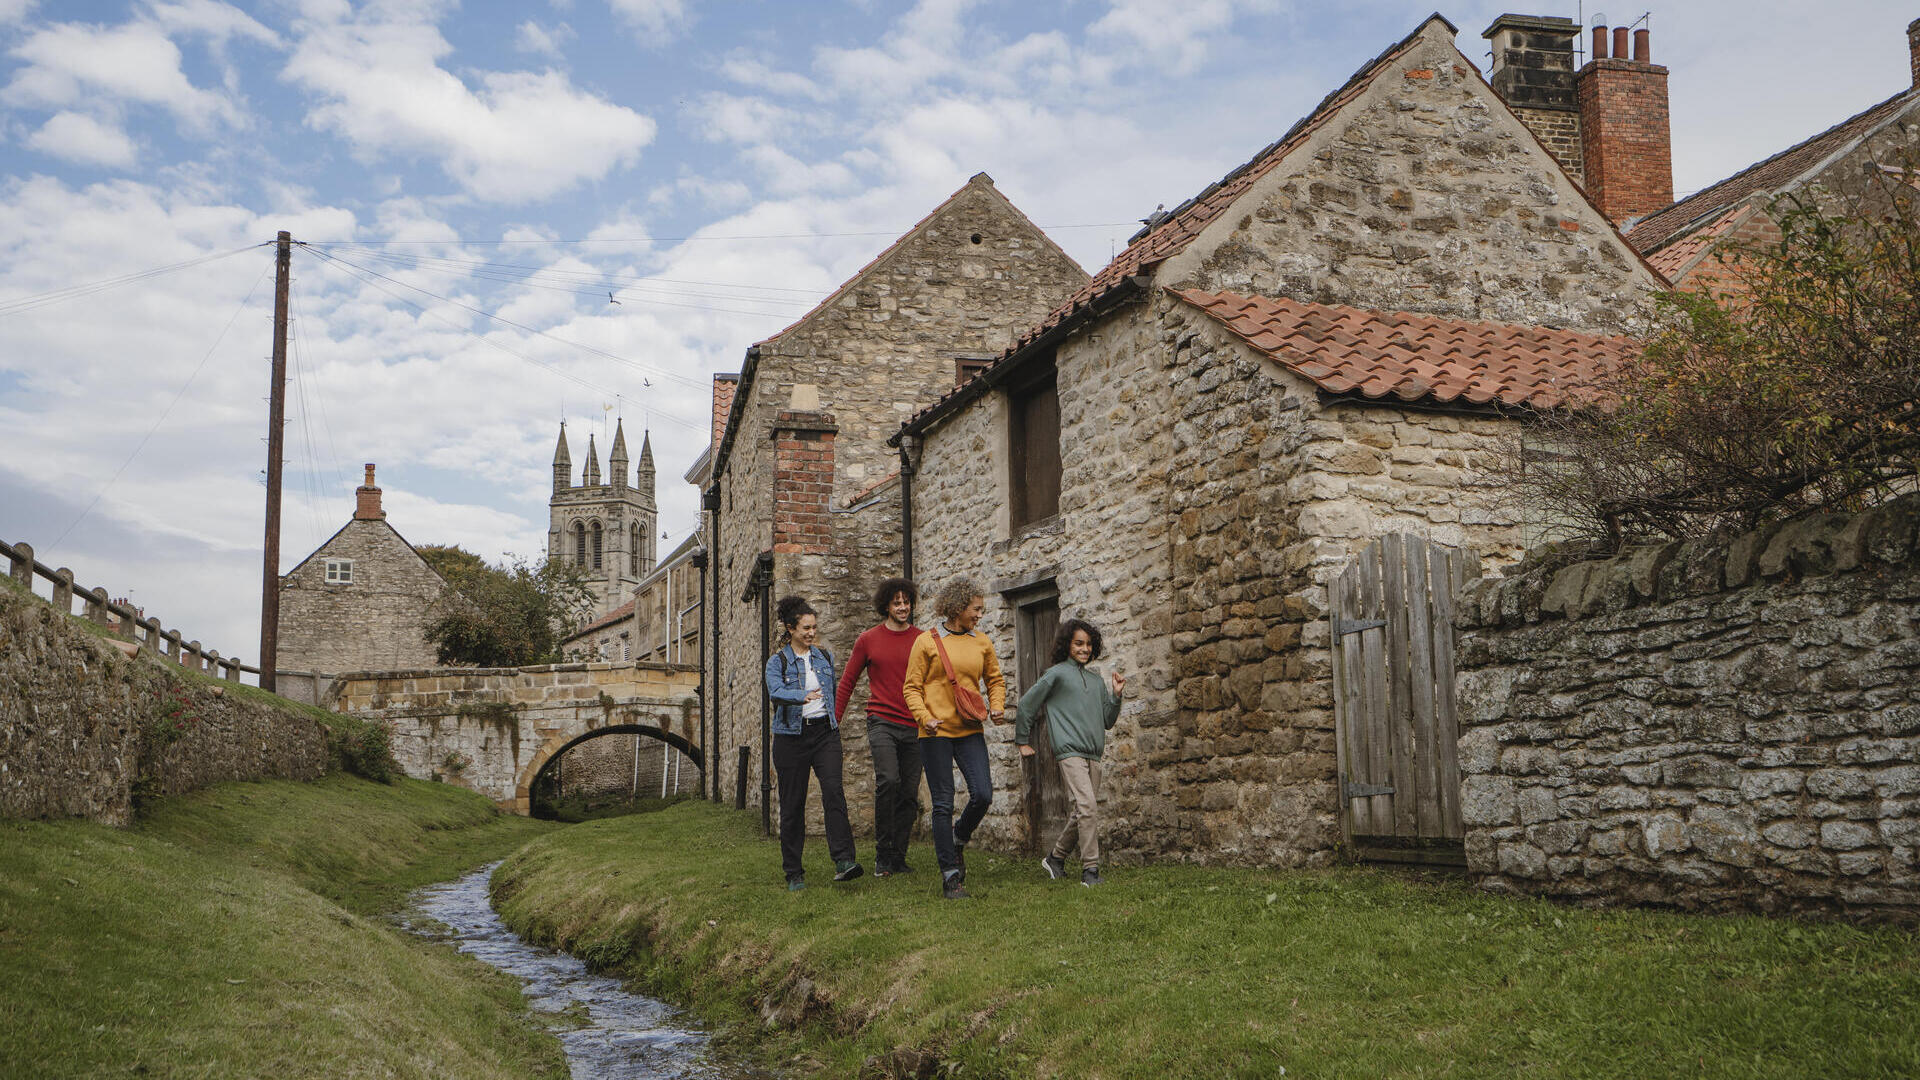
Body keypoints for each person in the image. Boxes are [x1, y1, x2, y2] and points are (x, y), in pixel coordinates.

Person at [902, 577, 1006, 899]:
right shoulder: (927, 642)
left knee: (983, 794)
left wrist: (998, 706)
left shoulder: (982, 642)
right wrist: (924, 717)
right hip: (934, 733)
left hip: (969, 729)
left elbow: (995, 680)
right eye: (975, 609)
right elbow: (911, 687)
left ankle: (959, 837)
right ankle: (950, 876)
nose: (979, 615)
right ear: (958, 607)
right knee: (943, 804)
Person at [1015, 618, 1125, 887]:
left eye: (1088, 644)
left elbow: (1107, 721)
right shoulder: (1056, 674)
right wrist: (1022, 739)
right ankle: (1090, 871)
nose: (1084, 649)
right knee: (1088, 807)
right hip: (1069, 751)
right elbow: (1028, 704)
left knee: (1082, 812)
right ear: (1067, 645)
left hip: (1093, 754)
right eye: (1079, 643)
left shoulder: (1096, 680)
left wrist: (1116, 696)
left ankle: (1056, 858)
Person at [763, 595, 861, 891]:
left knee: (834, 791)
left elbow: (832, 692)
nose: (811, 633)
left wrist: (831, 717)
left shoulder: (824, 657)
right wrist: (800, 696)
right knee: (792, 805)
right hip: (791, 737)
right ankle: (794, 872)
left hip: (824, 734)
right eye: (805, 628)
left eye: (814, 627)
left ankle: (844, 861)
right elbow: (775, 692)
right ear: (791, 629)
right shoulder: (777, 661)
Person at [834, 577, 925, 877]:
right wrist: (835, 717)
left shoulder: (922, 639)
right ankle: (882, 853)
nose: (902, 607)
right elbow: (848, 681)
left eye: (906, 601)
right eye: (896, 602)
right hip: (881, 720)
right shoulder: (868, 640)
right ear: (886, 605)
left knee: (909, 792)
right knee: (888, 780)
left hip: (915, 725)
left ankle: (898, 856)